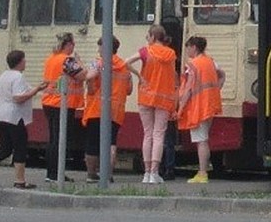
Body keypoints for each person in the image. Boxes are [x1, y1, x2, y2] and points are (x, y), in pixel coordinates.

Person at [0, 50, 48, 191]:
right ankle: (19, 180)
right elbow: (18, 97)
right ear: (20, 62)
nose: (26, 62)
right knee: (20, 147)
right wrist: (37, 90)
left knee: (5, 148)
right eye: (24, 60)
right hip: (14, 117)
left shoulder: (3, 76)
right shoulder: (18, 77)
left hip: (1, 114)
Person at [124, 24, 178, 184]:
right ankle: (155, 172)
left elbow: (126, 62)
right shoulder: (171, 54)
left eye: (148, 36)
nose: (147, 39)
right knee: (159, 134)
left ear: (153, 37)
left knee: (147, 134)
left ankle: (146, 173)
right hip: (163, 98)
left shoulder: (145, 51)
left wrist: (139, 76)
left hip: (146, 96)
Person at [82, 36, 132, 181]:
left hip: (97, 109)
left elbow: (91, 84)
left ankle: (91, 174)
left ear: (105, 48)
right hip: (116, 112)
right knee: (111, 143)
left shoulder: (98, 64)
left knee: (92, 143)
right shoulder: (124, 66)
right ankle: (108, 175)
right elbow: (129, 90)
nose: (98, 50)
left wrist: (89, 85)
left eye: (99, 47)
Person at [176, 35, 223, 184]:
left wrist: (180, 109)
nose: (187, 50)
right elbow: (222, 75)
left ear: (194, 47)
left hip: (199, 107)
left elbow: (188, 89)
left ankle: (202, 173)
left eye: (188, 47)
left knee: (201, 141)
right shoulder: (210, 61)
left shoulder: (193, 65)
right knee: (204, 138)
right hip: (210, 104)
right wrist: (216, 90)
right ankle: (202, 171)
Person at [41, 33, 85, 184]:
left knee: (53, 138)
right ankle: (55, 174)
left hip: (49, 102)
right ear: (68, 44)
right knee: (60, 140)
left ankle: (52, 173)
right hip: (62, 104)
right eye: (73, 44)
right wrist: (80, 62)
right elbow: (82, 75)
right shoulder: (67, 61)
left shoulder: (51, 59)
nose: (74, 47)